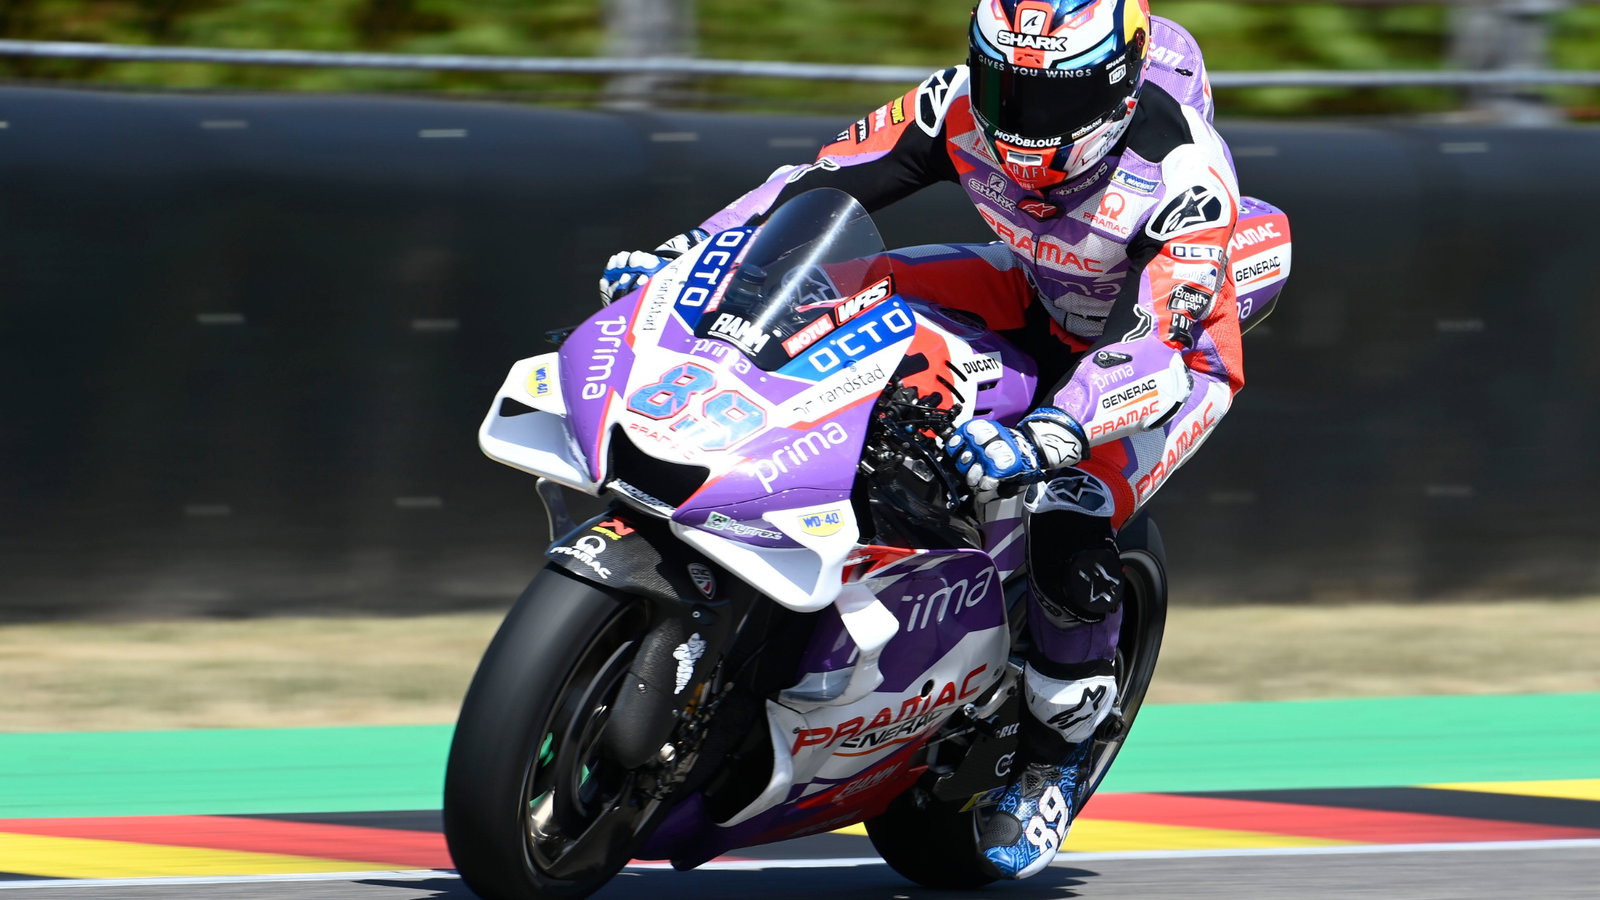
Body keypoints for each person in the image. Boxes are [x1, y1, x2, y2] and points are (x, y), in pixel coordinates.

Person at [599, 0, 1290, 881]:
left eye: (1050, 99)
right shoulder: (954, 102)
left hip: (1163, 357)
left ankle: (1053, 757)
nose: (1017, 118)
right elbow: (817, 185)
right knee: (841, 296)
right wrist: (693, 251)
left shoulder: (1183, 172)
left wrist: (1059, 428)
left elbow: (1158, 340)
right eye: (1005, 84)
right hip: (1041, 296)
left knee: (1063, 503)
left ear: (1117, 91)